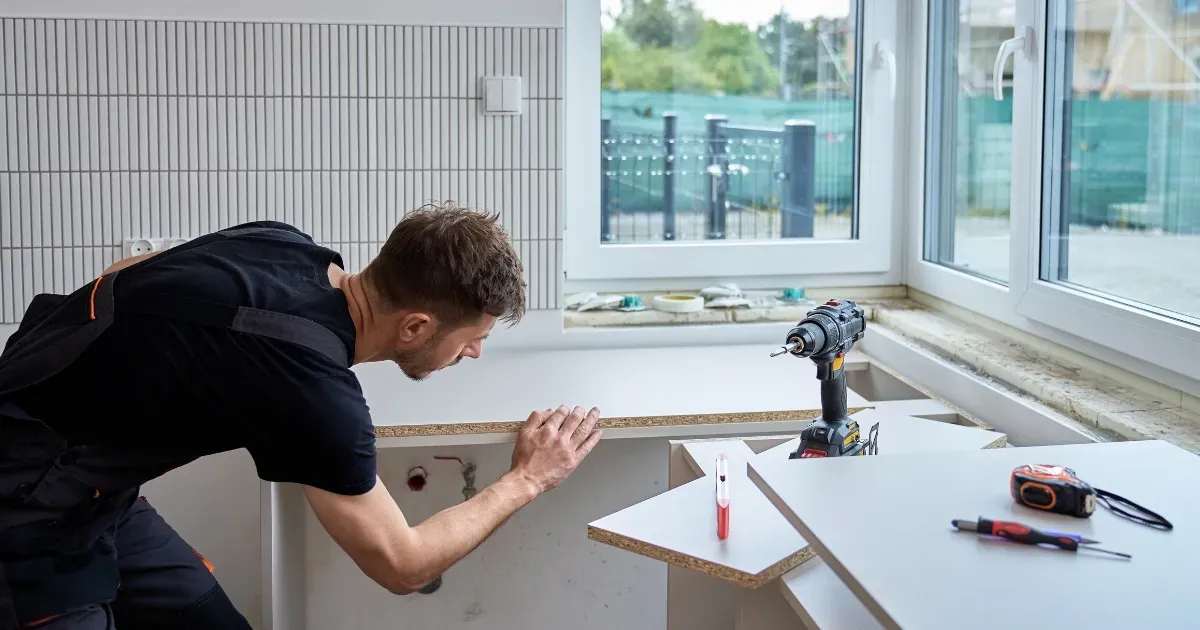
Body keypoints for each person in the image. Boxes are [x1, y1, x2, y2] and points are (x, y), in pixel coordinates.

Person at [0, 203, 603, 629]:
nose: (472, 353)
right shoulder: (313, 391)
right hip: (24, 512)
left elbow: (120, 274)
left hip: (96, 491)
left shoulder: (284, 243)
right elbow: (404, 565)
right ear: (416, 325)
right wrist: (527, 478)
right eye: (472, 338)